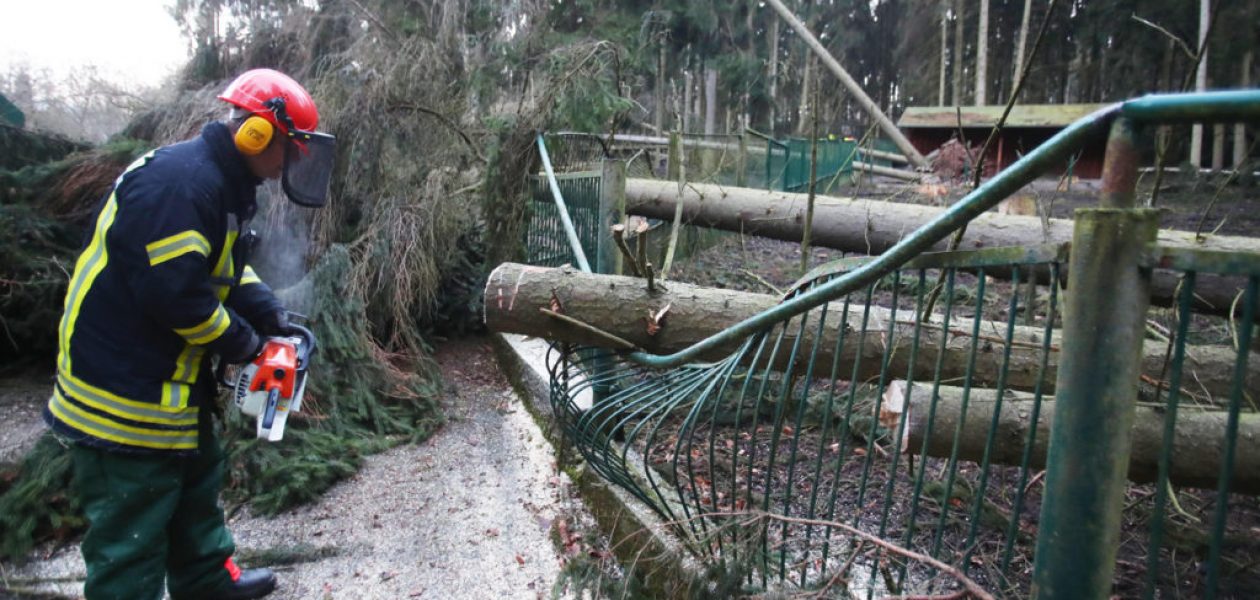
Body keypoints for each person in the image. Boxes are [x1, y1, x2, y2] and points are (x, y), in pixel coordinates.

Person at [43, 68, 336, 600]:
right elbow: (177, 297)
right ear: (256, 135)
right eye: (288, 150)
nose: (287, 166)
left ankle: (204, 580)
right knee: (131, 529)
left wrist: (268, 312)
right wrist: (248, 346)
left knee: (198, 480)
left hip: (167, 380)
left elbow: (218, 269)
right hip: (122, 390)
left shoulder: (220, 182)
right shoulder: (181, 186)